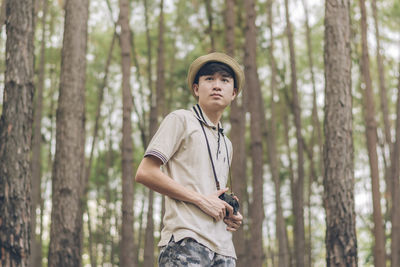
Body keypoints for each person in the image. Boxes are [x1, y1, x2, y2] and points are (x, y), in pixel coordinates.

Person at [135, 52, 244, 266]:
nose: (216, 85)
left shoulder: (227, 143)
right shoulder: (181, 119)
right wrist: (201, 200)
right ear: (196, 89)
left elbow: (211, 193)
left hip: (224, 251)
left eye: (224, 80)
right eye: (209, 79)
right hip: (187, 241)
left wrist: (231, 213)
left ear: (233, 93)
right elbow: (145, 172)